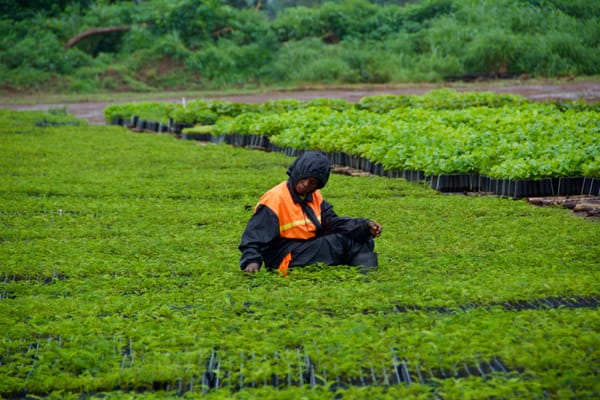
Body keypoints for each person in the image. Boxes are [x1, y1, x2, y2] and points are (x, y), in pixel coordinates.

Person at [239, 151, 382, 274]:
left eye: (312, 182)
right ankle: (365, 273)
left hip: (307, 247)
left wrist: (364, 225)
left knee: (361, 237)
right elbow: (253, 236)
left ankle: (364, 273)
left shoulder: (314, 196)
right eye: (304, 178)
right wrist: (251, 261)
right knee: (339, 242)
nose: (306, 185)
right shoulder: (275, 199)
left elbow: (333, 222)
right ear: (297, 172)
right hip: (284, 257)